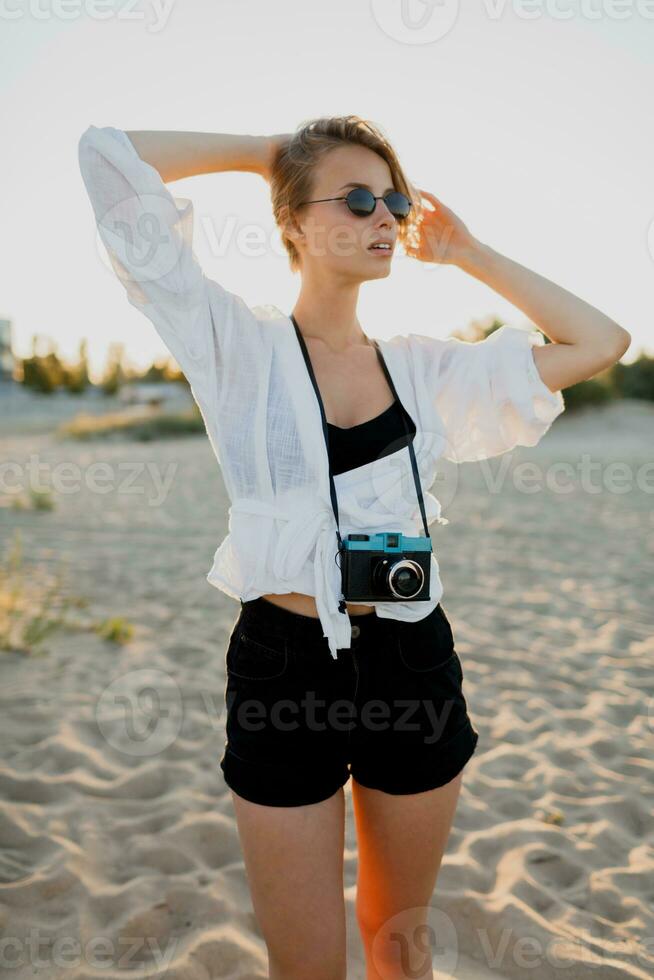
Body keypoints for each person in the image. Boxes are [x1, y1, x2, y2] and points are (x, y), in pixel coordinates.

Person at [78, 116, 630, 980]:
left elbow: (599, 343)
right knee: (306, 966)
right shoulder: (237, 351)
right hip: (282, 664)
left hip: (412, 658)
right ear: (294, 222)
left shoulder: (424, 368)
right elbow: (108, 161)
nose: (384, 216)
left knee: (397, 947)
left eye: (394, 200)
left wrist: (470, 253)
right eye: (359, 197)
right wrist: (270, 153)